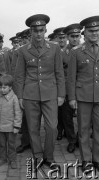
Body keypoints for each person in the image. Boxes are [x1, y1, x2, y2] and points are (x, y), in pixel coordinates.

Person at [15, 14, 65, 170]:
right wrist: (20, 96)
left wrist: (61, 94)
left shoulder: (55, 48)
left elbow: (59, 73)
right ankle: (37, 156)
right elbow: (19, 75)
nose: (38, 34)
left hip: (50, 94)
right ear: (30, 31)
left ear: (45, 30)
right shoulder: (23, 51)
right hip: (30, 95)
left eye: (41, 30)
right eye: (35, 31)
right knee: (32, 128)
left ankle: (49, 157)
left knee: (52, 127)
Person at [67, 16, 99, 172]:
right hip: (83, 96)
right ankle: (86, 159)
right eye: (91, 31)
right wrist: (72, 98)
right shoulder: (76, 52)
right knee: (84, 129)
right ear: (84, 32)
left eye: (97, 31)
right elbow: (71, 77)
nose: (94, 33)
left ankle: (97, 159)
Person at [0, 74, 22, 169]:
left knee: (12, 144)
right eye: (0, 87)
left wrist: (17, 126)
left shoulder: (14, 98)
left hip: (11, 127)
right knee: (2, 144)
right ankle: (2, 158)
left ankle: (12, 159)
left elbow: (18, 113)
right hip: (0, 126)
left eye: (5, 87)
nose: (2, 89)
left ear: (10, 88)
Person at [61, 23, 83, 153]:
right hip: (67, 89)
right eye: (72, 36)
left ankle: (81, 139)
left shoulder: (85, 50)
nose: (75, 39)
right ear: (68, 37)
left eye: (77, 36)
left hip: (82, 89)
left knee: (83, 117)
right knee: (67, 117)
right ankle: (72, 140)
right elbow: (60, 73)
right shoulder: (62, 53)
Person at [53, 27, 68, 141]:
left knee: (67, 113)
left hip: (68, 86)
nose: (61, 40)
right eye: (59, 38)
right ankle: (59, 130)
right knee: (58, 112)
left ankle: (68, 133)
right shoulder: (53, 50)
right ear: (56, 38)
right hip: (55, 86)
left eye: (63, 37)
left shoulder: (72, 51)